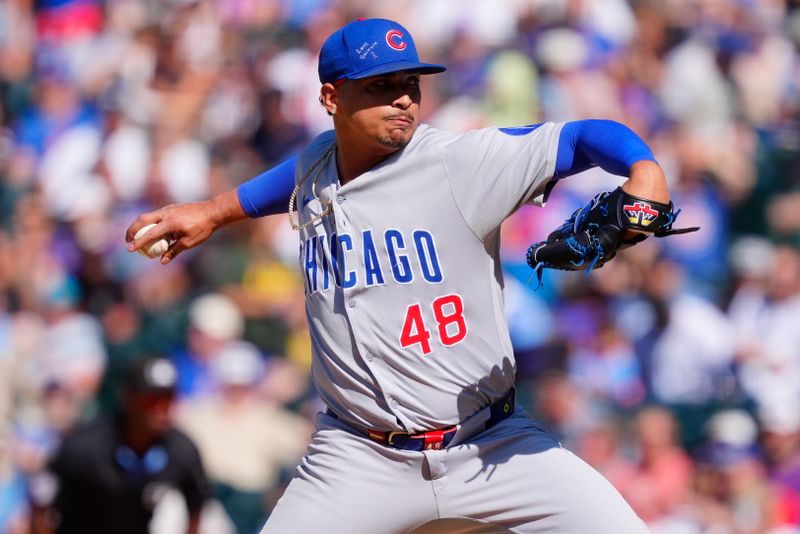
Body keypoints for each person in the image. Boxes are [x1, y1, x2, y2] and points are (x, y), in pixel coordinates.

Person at [126, 17, 673, 533]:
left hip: (491, 445)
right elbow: (292, 177)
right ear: (331, 98)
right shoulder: (319, 162)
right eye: (381, 86)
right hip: (356, 458)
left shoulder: (460, 164)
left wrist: (645, 169)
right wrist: (215, 211)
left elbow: (579, 137)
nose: (404, 99)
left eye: (411, 83)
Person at [29, 356, 209, 534]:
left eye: (168, 401)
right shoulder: (83, 446)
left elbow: (197, 506)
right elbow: (40, 503)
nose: (161, 410)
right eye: (152, 400)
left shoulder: (181, 451)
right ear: (128, 398)